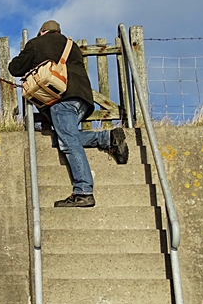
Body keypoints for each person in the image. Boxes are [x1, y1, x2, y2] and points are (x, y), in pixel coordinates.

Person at [8, 19, 128, 208]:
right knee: (62, 138)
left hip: (61, 99)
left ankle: (83, 191)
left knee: (68, 142)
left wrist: (26, 53)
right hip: (83, 100)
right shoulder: (71, 45)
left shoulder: (36, 43)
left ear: (42, 32)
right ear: (58, 32)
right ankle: (107, 138)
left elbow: (14, 68)